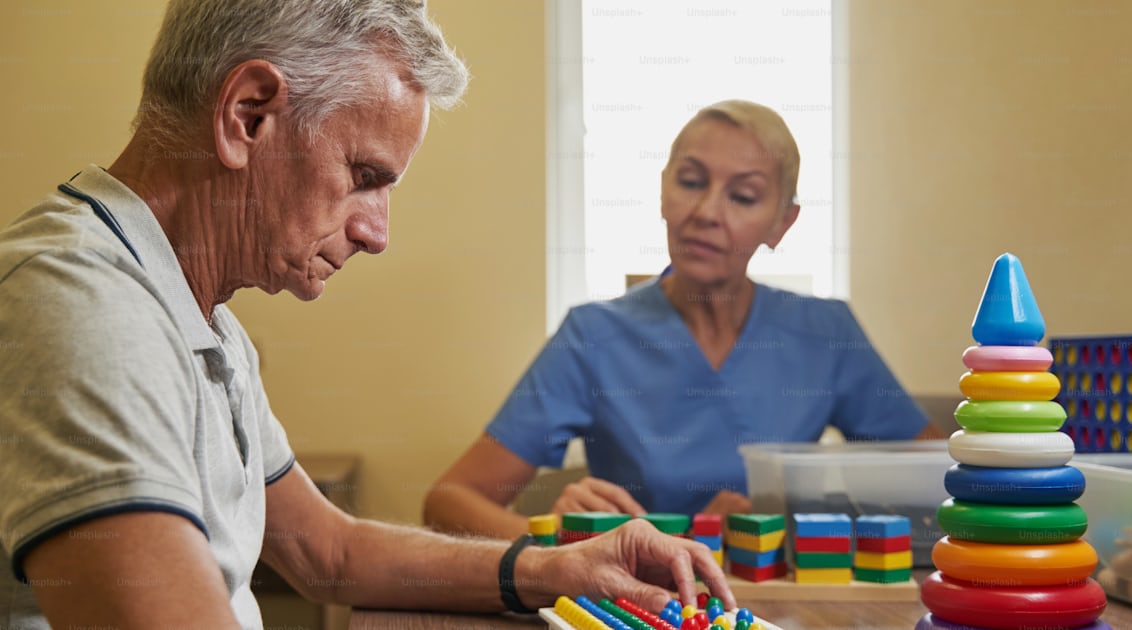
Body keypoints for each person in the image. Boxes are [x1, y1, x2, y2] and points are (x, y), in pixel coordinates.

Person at [0, 1, 734, 627]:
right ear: (247, 115)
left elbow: (330, 551)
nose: (376, 233)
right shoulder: (80, 306)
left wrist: (557, 567)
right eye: (364, 177)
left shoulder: (198, 316)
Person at [424, 99, 942, 540]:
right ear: (664, 190)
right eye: (691, 182)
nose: (706, 211)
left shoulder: (825, 335)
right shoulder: (593, 338)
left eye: (742, 196)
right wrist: (567, 542)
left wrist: (788, 522)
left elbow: (940, 486)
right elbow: (448, 502)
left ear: (782, 224)